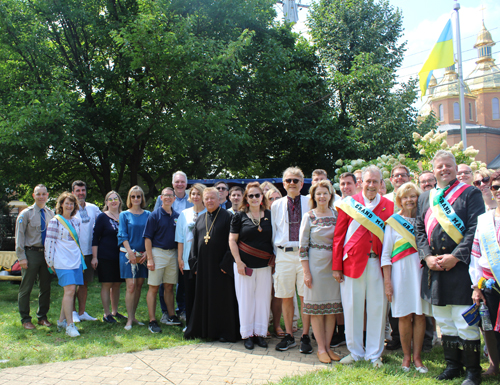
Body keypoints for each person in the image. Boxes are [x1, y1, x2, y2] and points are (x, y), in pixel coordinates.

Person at [415, 150, 484, 385]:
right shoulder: (426, 197)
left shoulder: (471, 193)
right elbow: (419, 230)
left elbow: (475, 229)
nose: (444, 169)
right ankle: (452, 366)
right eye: (439, 166)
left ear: (455, 168)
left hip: (461, 268)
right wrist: (426, 257)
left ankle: (473, 371)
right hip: (435, 268)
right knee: (444, 320)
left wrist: (456, 256)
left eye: (448, 165)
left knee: (464, 320)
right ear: (433, 171)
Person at [332, 165, 394, 367]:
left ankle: (374, 354)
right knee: (352, 308)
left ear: (381, 184)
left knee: (377, 308)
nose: (371, 185)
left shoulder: (388, 206)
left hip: (377, 264)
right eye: (368, 181)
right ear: (361, 183)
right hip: (352, 264)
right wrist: (336, 266)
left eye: (376, 181)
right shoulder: (349, 204)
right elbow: (339, 236)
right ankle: (356, 352)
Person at [381, 182, 430, 373]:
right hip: (400, 276)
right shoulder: (393, 222)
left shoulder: (425, 219)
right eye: (405, 197)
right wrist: (387, 282)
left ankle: (417, 358)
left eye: (413, 196)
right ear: (399, 200)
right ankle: (406, 357)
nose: (409, 200)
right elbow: (386, 255)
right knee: (403, 316)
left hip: (421, 273)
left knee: (419, 315)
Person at [184, 188, 240, 342]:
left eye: (212, 198)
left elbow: (234, 242)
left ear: (219, 199)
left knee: (222, 300)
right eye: (206, 199)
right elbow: (194, 244)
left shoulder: (228, 217)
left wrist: (226, 263)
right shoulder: (201, 219)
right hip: (203, 268)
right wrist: (194, 265)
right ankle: (204, 330)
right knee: (204, 298)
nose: (209, 201)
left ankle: (223, 332)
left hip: (221, 268)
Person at [299, 180, 342, 364]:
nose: (322, 196)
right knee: (317, 310)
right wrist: (306, 272)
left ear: (330, 195)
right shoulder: (308, 216)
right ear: (314, 197)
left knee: (331, 309)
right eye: (318, 194)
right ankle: (321, 349)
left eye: (325, 193)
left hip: (333, 267)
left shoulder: (337, 214)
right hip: (315, 266)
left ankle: (329, 346)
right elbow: (302, 247)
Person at [272, 167, 312, 354]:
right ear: (283, 183)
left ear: (302, 184)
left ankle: (305, 336)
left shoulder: (309, 202)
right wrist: (277, 255)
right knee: (286, 296)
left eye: (296, 180)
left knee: (305, 297)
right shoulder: (276, 205)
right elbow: (274, 231)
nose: (292, 183)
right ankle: (289, 335)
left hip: (304, 254)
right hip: (284, 254)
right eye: (288, 180)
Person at [229, 182, 274, 350]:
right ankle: (248, 335)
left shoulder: (270, 215)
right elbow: (232, 240)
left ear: (262, 197)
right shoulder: (239, 216)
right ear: (246, 199)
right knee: (246, 300)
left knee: (262, 300)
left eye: (257, 195)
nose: (254, 198)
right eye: (251, 196)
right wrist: (238, 262)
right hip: (244, 266)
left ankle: (260, 334)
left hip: (264, 265)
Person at [470, 169, 500, 378]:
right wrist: (476, 286)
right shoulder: (484, 220)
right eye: (495, 187)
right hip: (489, 282)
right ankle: (494, 365)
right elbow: (476, 254)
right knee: (488, 326)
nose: (498, 191)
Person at [154, 171, 193, 323]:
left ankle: (182, 309)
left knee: (183, 280)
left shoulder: (192, 199)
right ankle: (165, 311)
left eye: (182, 181)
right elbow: (156, 218)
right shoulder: (161, 198)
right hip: (167, 247)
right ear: (172, 183)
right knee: (166, 282)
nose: (180, 184)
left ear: (186, 183)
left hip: (185, 246)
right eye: (177, 182)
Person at [44, 192, 84, 337]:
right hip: (62, 261)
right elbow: (49, 242)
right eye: (66, 203)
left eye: (72, 203)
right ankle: (70, 325)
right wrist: (50, 262)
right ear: (61, 204)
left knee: (71, 291)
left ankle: (61, 321)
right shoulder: (55, 221)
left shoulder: (76, 221)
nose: (69, 206)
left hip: (75, 261)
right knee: (70, 291)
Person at [16, 184, 55, 330]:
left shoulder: (51, 213)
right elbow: (19, 237)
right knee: (26, 287)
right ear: (34, 195)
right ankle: (25, 318)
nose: (41, 196)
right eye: (38, 194)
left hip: (46, 254)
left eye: (44, 194)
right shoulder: (25, 214)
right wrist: (22, 257)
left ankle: (42, 317)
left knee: (45, 287)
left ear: (47, 195)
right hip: (31, 253)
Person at [144, 187, 181, 333]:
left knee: (169, 286)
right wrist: (150, 259)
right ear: (161, 197)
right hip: (157, 253)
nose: (168, 198)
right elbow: (147, 238)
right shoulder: (154, 215)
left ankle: (171, 315)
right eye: (165, 195)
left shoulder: (177, 216)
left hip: (172, 254)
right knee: (153, 287)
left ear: (174, 198)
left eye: (170, 196)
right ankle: (152, 320)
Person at [118, 186, 150, 331]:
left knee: (138, 285)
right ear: (129, 198)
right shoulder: (124, 215)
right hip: (127, 254)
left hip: (143, 255)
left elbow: (150, 235)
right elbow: (122, 235)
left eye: (138, 196)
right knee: (130, 286)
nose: (136, 199)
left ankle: (134, 316)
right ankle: (129, 319)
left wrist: (147, 253)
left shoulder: (148, 214)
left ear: (142, 198)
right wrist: (130, 252)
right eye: (133, 196)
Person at [175, 183, 207, 326]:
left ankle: (203, 322)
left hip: (205, 259)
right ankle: (190, 323)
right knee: (189, 292)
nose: (195, 196)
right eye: (193, 194)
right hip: (188, 260)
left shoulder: (209, 213)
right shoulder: (184, 214)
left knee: (203, 292)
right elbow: (180, 238)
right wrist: (180, 258)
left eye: (198, 194)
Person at [91, 191, 125, 323]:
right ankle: (106, 314)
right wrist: (95, 257)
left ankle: (115, 311)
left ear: (120, 201)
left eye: (115, 198)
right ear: (106, 203)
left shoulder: (124, 216)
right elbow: (95, 238)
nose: (113, 201)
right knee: (106, 284)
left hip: (120, 256)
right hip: (105, 256)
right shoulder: (102, 217)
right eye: (110, 199)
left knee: (117, 284)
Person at [71, 180, 100, 322]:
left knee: (83, 284)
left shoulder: (93, 208)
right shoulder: (68, 208)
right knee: (71, 284)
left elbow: (102, 224)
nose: (81, 193)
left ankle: (82, 312)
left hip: (88, 252)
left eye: (83, 190)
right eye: (78, 190)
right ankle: (72, 312)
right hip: (72, 253)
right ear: (73, 192)